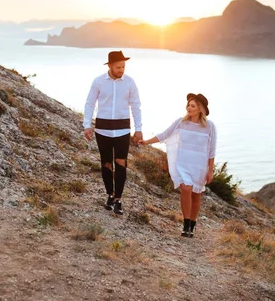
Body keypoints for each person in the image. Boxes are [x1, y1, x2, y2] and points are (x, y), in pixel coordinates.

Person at [139, 93, 217, 237]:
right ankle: (186, 224)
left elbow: (212, 150)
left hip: (199, 166)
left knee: (196, 195)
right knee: (186, 189)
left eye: (192, 106)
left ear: (200, 109)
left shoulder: (209, 126)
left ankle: (192, 225)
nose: (189, 107)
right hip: (183, 164)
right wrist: (146, 142)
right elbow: (164, 135)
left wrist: (210, 170)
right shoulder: (181, 122)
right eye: (188, 105)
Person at [83, 51, 143, 215]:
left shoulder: (130, 83)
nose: (121, 70)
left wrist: (138, 129)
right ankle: (109, 194)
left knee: (121, 163)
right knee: (106, 164)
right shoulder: (98, 82)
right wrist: (87, 125)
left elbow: (136, 106)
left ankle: (118, 199)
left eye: (123, 67)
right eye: (118, 67)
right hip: (102, 129)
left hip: (123, 129)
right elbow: (90, 104)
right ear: (110, 65)